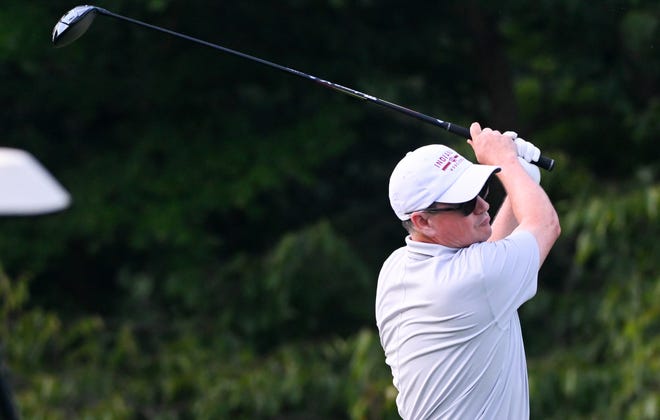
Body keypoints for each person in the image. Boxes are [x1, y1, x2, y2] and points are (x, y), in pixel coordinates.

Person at [375, 122, 561, 419]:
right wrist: (507, 163)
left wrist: (519, 185)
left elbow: (490, 262)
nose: (483, 205)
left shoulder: (396, 268)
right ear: (422, 221)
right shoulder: (473, 280)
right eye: (464, 203)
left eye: (480, 189)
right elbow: (545, 225)